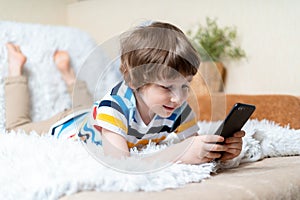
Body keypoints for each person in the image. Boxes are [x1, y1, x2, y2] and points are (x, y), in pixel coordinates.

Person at [4, 21, 245, 165]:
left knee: (91, 108)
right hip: (70, 125)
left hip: (94, 116)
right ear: (133, 80)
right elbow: (119, 161)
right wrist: (178, 155)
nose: (179, 97)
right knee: (16, 127)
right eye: (166, 87)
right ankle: (17, 66)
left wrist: (217, 152)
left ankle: (68, 74)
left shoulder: (178, 110)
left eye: (185, 85)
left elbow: (192, 144)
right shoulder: (114, 109)